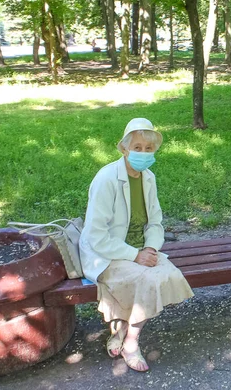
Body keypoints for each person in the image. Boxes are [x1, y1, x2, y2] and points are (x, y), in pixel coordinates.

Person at [80, 118, 194, 372]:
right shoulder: (106, 178)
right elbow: (97, 236)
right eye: (138, 147)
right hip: (107, 252)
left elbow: (155, 222)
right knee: (149, 281)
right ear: (123, 148)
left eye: (148, 148)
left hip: (141, 249)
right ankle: (132, 342)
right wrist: (135, 255)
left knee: (169, 275)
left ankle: (121, 332)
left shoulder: (148, 177)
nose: (143, 153)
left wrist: (151, 249)